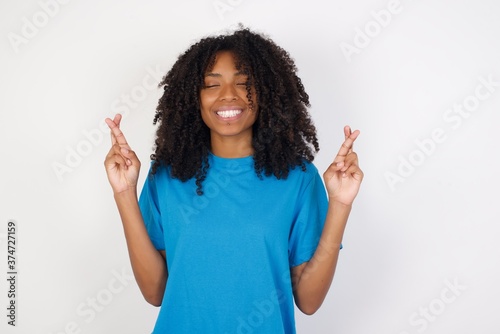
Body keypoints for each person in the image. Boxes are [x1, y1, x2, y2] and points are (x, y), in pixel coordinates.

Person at [104, 27, 363, 334]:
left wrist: (340, 204)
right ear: (193, 98)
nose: (228, 95)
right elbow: (155, 292)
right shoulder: (167, 176)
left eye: (244, 83)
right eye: (212, 84)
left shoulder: (298, 180)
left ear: (266, 93)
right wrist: (124, 192)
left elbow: (308, 301)